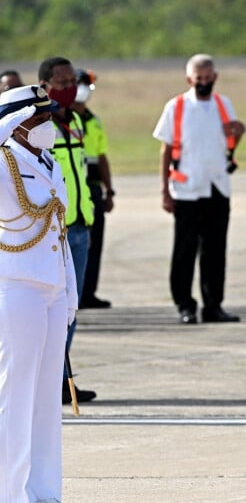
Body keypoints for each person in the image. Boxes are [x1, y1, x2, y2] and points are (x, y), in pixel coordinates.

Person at [0, 85, 77, 502]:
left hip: (52, 288)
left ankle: (44, 493)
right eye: (40, 117)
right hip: (17, 287)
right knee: (15, 394)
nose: (48, 124)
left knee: (47, 400)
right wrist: (6, 123)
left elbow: (58, 230)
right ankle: (8, 494)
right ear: (19, 123)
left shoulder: (49, 161)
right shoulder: (4, 159)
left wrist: (71, 287)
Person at [153, 54, 246, 325]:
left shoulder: (223, 104)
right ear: (189, 79)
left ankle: (213, 305)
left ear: (215, 77)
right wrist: (164, 191)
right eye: (198, 79)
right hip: (187, 189)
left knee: (215, 251)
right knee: (185, 251)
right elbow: (166, 149)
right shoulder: (177, 107)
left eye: (208, 78)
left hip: (217, 187)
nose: (203, 83)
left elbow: (230, 142)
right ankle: (185, 305)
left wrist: (238, 132)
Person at [38, 56, 97, 404]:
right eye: (61, 82)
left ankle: (60, 379)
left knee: (70, 309)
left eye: (71, 81)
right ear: (45, 86)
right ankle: (51, 379)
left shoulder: (75, 120)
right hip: (52, 230)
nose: (68, 87)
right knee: (52, 308)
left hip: (79, 225)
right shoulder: (39, 125)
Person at [72, 68, 115, 309]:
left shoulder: (93, 121)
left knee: (94, 241)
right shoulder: (62, 119)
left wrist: (110, 190)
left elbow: (102, 157)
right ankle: (75, 292)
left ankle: (88, 291)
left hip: (93, 186)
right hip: (75, 185)